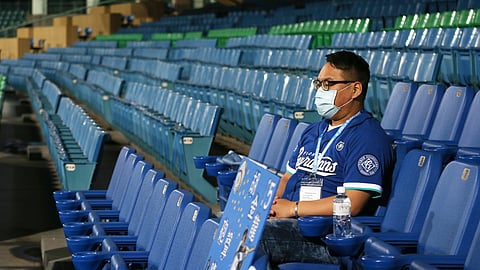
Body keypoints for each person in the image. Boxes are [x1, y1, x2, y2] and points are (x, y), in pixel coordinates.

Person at [259, 50, 395, 267]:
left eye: (328, 84)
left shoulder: (367, 137)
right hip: (290, 222)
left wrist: (294, 208)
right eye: (318, 83)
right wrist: (269, 206)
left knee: (252, 238)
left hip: (325, 236)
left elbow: (353, 202)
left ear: (355, 89)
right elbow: (287, 178)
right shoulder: (314, 130)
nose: (321, 91)